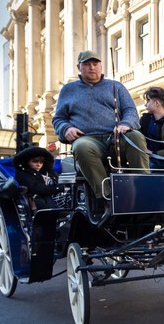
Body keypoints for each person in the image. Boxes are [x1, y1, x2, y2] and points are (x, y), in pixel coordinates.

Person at [52, 50, 149, 222]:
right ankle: (107, 197)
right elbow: (58, 119)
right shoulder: (68, 90)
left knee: (136, 138)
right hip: (87, 138)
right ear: (79, 67)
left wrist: (126, 124)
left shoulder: (116, 86)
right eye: (87, 64)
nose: (92, 68)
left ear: (101, 66)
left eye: (95, 64)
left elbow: (130, 111)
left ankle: (143, 189)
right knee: (81, 147)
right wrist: (66, 129)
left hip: (115, 136)